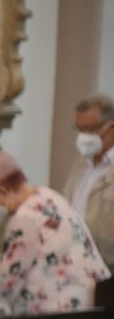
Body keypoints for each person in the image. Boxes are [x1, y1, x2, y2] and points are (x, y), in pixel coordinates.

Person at [0, 150, 110, 318]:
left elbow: (9, 274)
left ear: (2, 190)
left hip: (56, 311)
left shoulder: (26, 217)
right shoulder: (46, 195)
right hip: (79, 303)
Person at [64, 94, 114, 264]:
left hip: (108, 265)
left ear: (111, 127)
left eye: (90, 129)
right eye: (79, 129)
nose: (83, 136)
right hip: (76, 259)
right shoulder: (80, 164)